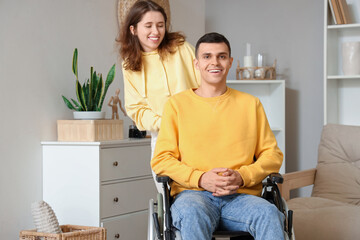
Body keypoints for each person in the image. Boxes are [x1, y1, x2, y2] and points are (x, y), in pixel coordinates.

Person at [151, 32, 285, 240]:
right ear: (196, 63)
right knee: (192, 214)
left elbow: (272, 155)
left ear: (230, 62)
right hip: (192, 196)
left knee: (268, 213)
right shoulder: (177, 105)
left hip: (241, 197)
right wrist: (201, 178)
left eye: (221, 56)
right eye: (207, 56)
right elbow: (161, 159)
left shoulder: (251, 104)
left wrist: (242, 176)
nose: (215, 62)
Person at [117, 0, 200, 158]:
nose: (155, 32)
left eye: (160, 25)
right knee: (164, 183)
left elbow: (207, 84)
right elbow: (135, 108)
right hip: (162, 138)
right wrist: (166, 124)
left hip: (197, 132)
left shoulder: (182, 48)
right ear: (133, 29)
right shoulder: (129, 64)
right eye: (148, 26)